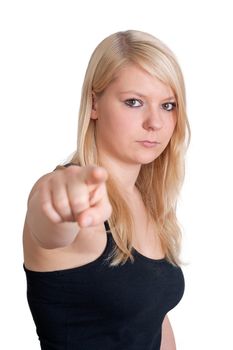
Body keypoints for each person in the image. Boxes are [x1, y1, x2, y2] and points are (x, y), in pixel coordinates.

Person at [23, 29, 190, 350]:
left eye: (168, 105)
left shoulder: (149, 200)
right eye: (134, 102)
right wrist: (61, 204)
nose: (155, 122)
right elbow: (51, 225)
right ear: (94, 103)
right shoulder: (65, 192)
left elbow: (153, 318)